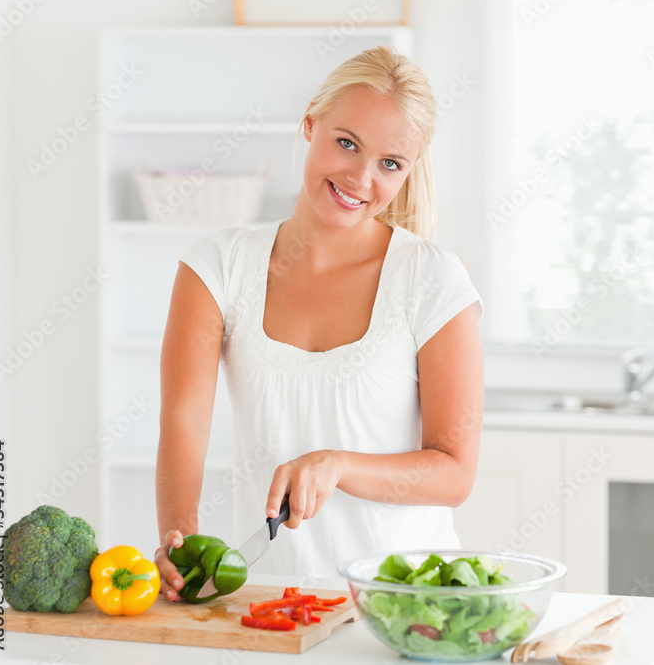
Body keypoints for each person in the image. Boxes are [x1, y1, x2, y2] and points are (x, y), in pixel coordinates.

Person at [152, 45, 484, 599]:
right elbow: (184, 421)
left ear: (408, 171)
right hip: (269, 602)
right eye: (346, 143)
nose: (359, 177)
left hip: (402, 606)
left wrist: (337, 465)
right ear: (311, 124)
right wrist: (178, 538)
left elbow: (455, 474)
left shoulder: (432, 279)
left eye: (390, 164)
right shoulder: (218, 267)